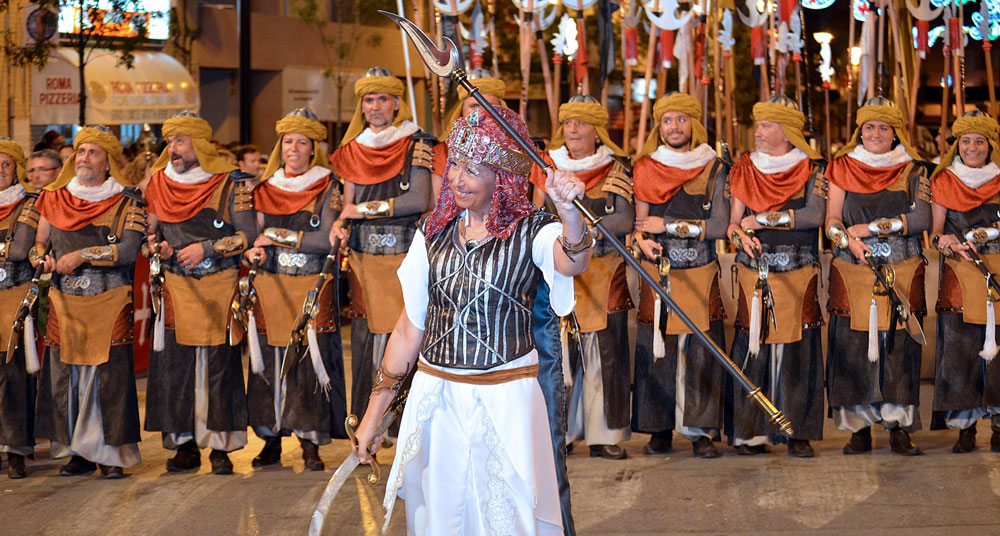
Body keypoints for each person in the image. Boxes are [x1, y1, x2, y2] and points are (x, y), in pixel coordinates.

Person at [353, 106, 589, 535]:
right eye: (456, 163)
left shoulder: (533, 228)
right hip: (437, 396)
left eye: (474, 169)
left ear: (503, 176)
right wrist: (373, 416)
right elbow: (409, 328)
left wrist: (570, 212)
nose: (458, 178)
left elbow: (572, 261)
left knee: (508, 518)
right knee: (440, 517)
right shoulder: (433, 230)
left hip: (507, 400)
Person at [143, 112, 256, 475]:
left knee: (219, 367)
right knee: (176, 367)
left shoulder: (230, 183)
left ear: (200, 144)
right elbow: (150, 235)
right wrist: (155, 247)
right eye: (170, 141)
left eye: (180, 141)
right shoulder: (158, 182)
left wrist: (206, 249)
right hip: (176, 285)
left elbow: (246, 236)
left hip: (219, 284)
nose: (172, 149)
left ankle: (221, 448)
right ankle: (184, 445)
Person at [33, 126, 145, 479]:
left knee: (108, 378)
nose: (83, 158)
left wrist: (83, 255)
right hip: (65, 302)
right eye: (81, 152)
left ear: (109, 162)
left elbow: (128, 251)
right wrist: (43, 260)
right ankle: (76, 452)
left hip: (110, 299)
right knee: (68, 378)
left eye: (93, 153)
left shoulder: (128, 200)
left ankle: (111, 454)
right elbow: (40, 244)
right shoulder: (53, 197)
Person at [825, 97, 931, 456]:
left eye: (883, 127)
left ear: (895, 133)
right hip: (852, 268)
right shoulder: (841, 166)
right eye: (869, 127)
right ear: (860, 130)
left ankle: (899, 427)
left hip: (902, 267)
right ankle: (859, 429)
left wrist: (869, 229)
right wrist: (849, 242)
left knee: (900, 350)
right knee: (853, 348)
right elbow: (832, 221)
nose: (876, 133)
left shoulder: (913, 170)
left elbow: (921, 220)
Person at [530, 94, 634, 460]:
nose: (573, 129)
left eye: (582, 123)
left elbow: (624, 219)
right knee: (560, 353)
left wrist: (581, 229)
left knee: (604, 354)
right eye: (569, 122)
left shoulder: (615, 168)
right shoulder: (546, 167)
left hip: (605, 272)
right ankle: (562, 433)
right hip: (558, 269)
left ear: (597, 130)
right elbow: (535, 213)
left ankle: (605, 435)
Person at [243, 109, 348, 471]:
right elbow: (251, 239)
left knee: (307, 362)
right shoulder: (265, 188)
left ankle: (310, 442)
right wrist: (255, 247)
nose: (293, 148)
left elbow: (325, 242)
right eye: (288, 141)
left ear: (313, 149)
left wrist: (274, 236)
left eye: (302, 142)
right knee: (270, 365)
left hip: (309, 286)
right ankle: (270, 439)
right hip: (271, 285)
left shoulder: (329, 186)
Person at [329, 67, 433, 424]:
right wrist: (342, 223)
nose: (375, 106)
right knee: (364, 337)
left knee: (411, 334)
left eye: (382, 99)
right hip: (363, 258)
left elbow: (419, 199)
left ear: (396, 104)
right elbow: (346, 205)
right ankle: (363, 423)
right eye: (369, 99)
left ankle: (406, 423)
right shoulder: (351, 149)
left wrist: (361, 210)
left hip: (406, 254)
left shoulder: (416, 142)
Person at [630, 92, 730, 458]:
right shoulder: (644, 166)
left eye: (681, 120)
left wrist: (668, 225)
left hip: (701, 271)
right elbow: (640, 227)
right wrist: (642, 240)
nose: (674, 127)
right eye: (668, 120)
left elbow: (719, 226)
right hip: (659, 272)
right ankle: (659, 428)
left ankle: (701, 431)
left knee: (701, 351)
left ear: (694, 124)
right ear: (660, 126)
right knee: (657, 348)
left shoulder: (714, 167)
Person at [727, 96, 827, 457]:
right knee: (752, 348)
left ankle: (797, 433)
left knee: (798, 352)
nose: (759, 132)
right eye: (759, 125)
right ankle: (751, 433)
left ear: (786, 131)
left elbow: (816, 216)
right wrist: (741, 235)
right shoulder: (744, 168)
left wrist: (763, 220)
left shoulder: (813, 168)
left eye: (767, 125)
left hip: (799, 271)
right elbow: (733, 225)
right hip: (755, 272)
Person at [929, 110, 1000, 453]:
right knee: (960, 351)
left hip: (997, 271)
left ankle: (999, 424)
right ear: (958, 145)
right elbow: (935, 231)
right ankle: (965, 427)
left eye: (980, 141)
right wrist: (944, 242)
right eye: (966, 141)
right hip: (960, 272)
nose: (972, 147)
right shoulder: (944, 181)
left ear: (990, 146)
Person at [0, 138, 41, 478]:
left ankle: (16, 450)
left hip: (14, 296)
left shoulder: (30, 203)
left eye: (6, 164)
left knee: (14, 376)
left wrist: (7, 248)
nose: (0, 171)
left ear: (17, 169)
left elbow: (19, 249)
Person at [430, 68, 505, 202]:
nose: (482, 113)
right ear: (462, 110)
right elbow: (438, 200)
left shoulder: (515, 149)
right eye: (474, 106)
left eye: (490, 106)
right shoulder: (444, 150)